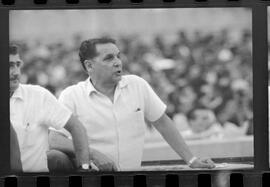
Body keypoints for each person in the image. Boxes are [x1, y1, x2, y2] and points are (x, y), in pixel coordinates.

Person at [51, 38, 215, 171]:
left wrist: (192, 160)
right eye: (109, 58)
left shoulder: (137, 85)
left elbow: (163, 123)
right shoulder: (72, 95)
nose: (118, 62)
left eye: (118, 56)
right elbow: (54, 139)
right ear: (89, 65)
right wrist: (93, 154)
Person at [9, 44, 92, 172]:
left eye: (17, 65)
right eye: (9, 66)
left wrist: (85, 168)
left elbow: (76, 127)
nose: (15, 72)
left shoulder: (38, 96)